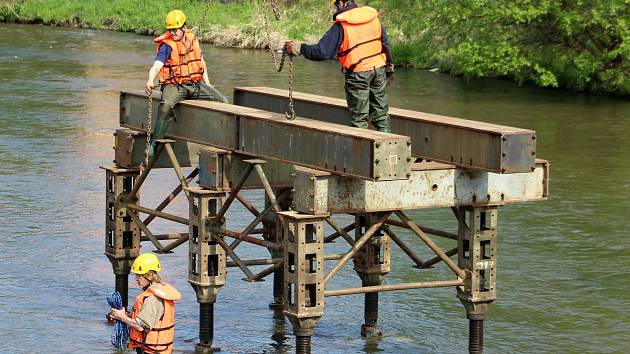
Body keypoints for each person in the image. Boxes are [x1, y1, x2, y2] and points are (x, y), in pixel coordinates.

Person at [284, 0, 394, 132]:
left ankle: (360, 149)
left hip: (358, 74)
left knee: (359, 118)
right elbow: (385, 44)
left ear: (342, 3)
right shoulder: (372, 18)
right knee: (381, 114)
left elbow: (322, 52)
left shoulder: (341, 26)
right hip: (379, 70)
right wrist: (390, 69)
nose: (335, 7)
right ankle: (387, 146)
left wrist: (298, 48)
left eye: (336, 4)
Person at [146, 9, 229, 155]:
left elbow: (201, 62)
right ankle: (155, 142)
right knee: (165, 107)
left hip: (194, 85)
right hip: (174, 85)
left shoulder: (192, 40)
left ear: (184, 27)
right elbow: (156, 65)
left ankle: (221, 140)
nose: (172, 33)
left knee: (223, 101)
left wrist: (207, 83)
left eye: (175, 29)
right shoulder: (167, 45)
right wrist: (149, 80)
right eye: (170, 30)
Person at [109, 253, 181, 354]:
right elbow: (149, 318)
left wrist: (122, 317)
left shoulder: (153, 298)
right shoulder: (157, 291)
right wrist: (127, 315)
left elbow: (141, 326)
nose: (136, 279)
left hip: (151, 352)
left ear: (150, 276)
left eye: (139, 275)